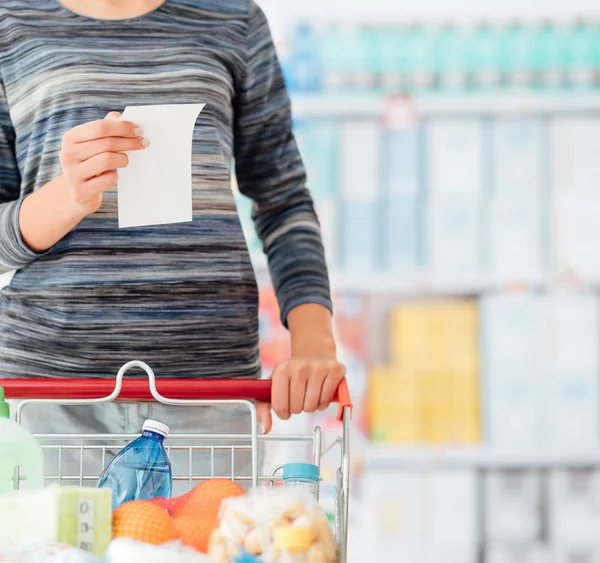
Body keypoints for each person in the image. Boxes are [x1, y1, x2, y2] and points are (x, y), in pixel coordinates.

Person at [0, 0, 345, 485]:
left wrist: (314, 344)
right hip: (51, 399)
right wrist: (67, 196)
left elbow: (282, 197)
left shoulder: (233, 18)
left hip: (208, 393)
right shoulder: (10, 22)